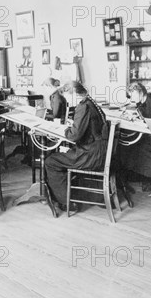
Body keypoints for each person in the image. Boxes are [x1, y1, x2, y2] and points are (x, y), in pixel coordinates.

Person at [44, 81, 109, 213]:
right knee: (61, 156)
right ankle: (68, 193)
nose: (67, 101)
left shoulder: (83, 107)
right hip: (99, 151)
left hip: (90, 155)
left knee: (51, 162)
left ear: (73, 94)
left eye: (67, 97)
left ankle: (67, 202)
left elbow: (74, 136)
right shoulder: (92, 103)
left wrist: (67, 129)